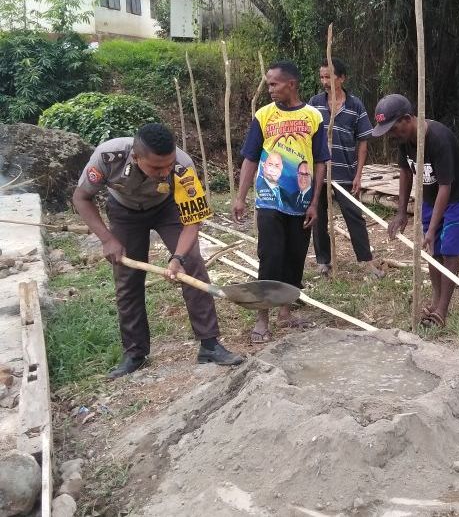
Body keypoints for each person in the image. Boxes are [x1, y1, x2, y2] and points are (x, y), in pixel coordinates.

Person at [72, 123, 245, 378]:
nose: (165, 172)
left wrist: (178, 257)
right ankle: (135, 353)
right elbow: (81, 198)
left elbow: (192, 221)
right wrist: (107, 239)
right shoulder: (108, 157)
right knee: (127, 278)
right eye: (156, 167)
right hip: (124, 212)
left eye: (168, 165)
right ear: (135, 157)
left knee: (192, 264)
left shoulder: (183, 165)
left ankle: (209, 344)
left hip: (168, 209)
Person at [232, 61, 329, 343]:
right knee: (271, 255)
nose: (270, 89)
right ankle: (262, 317)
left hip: (300, 198)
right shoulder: (263, 116)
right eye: (269, 84)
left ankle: (285, 312)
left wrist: (314, 202)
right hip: (268, 197)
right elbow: (250, 157)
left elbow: (321, 161)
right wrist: (240, 197)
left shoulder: (313, 117)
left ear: (291, 84)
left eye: (274, 84)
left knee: (295, 256)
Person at [371, 94, 459, 328]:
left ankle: (442, 310)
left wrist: (433, 228)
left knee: (448, 249)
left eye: (392, 128)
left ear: (407, 119)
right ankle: (436, 299)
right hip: (430, 196)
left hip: (455, 196)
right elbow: (406, 173)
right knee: (432, 249)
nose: (391, 135)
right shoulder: (404, 140)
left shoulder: (439, 138)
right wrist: (401, 212)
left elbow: (446, 186)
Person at [309, 57, 383, 278]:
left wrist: (358, 174)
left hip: (345, 171)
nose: (324, 81)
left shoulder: (355, 106)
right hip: (319, 171)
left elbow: (362, 142)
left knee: (354, 215)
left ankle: (367, 262)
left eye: (329, 76)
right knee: (319, 216)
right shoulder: (314, 104)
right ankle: (323, 261)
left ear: (341, 78)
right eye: (322, 76)